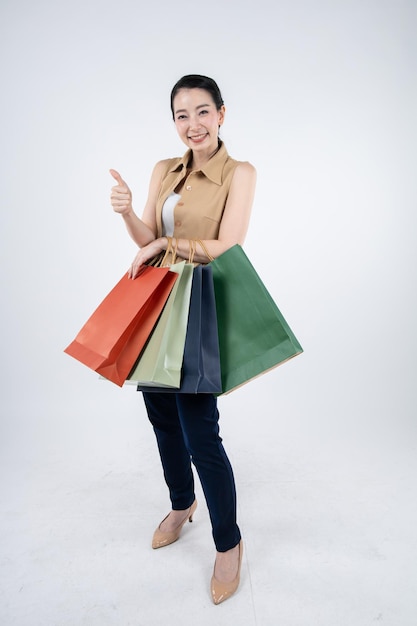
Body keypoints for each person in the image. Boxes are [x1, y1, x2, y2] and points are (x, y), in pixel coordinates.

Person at [109, 74, 256, 605]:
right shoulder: (162, 169)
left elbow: (229, 245)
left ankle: (228, 542)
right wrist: (128, 212)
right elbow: (148, 241)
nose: (191, 125)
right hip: (159, 303)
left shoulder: (239, 173)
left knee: (200, 430)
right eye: (180, 115)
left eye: (201, 112)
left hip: (201, 305)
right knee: (161, 417)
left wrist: (169, 241)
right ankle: (180, 503)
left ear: (221, 114)